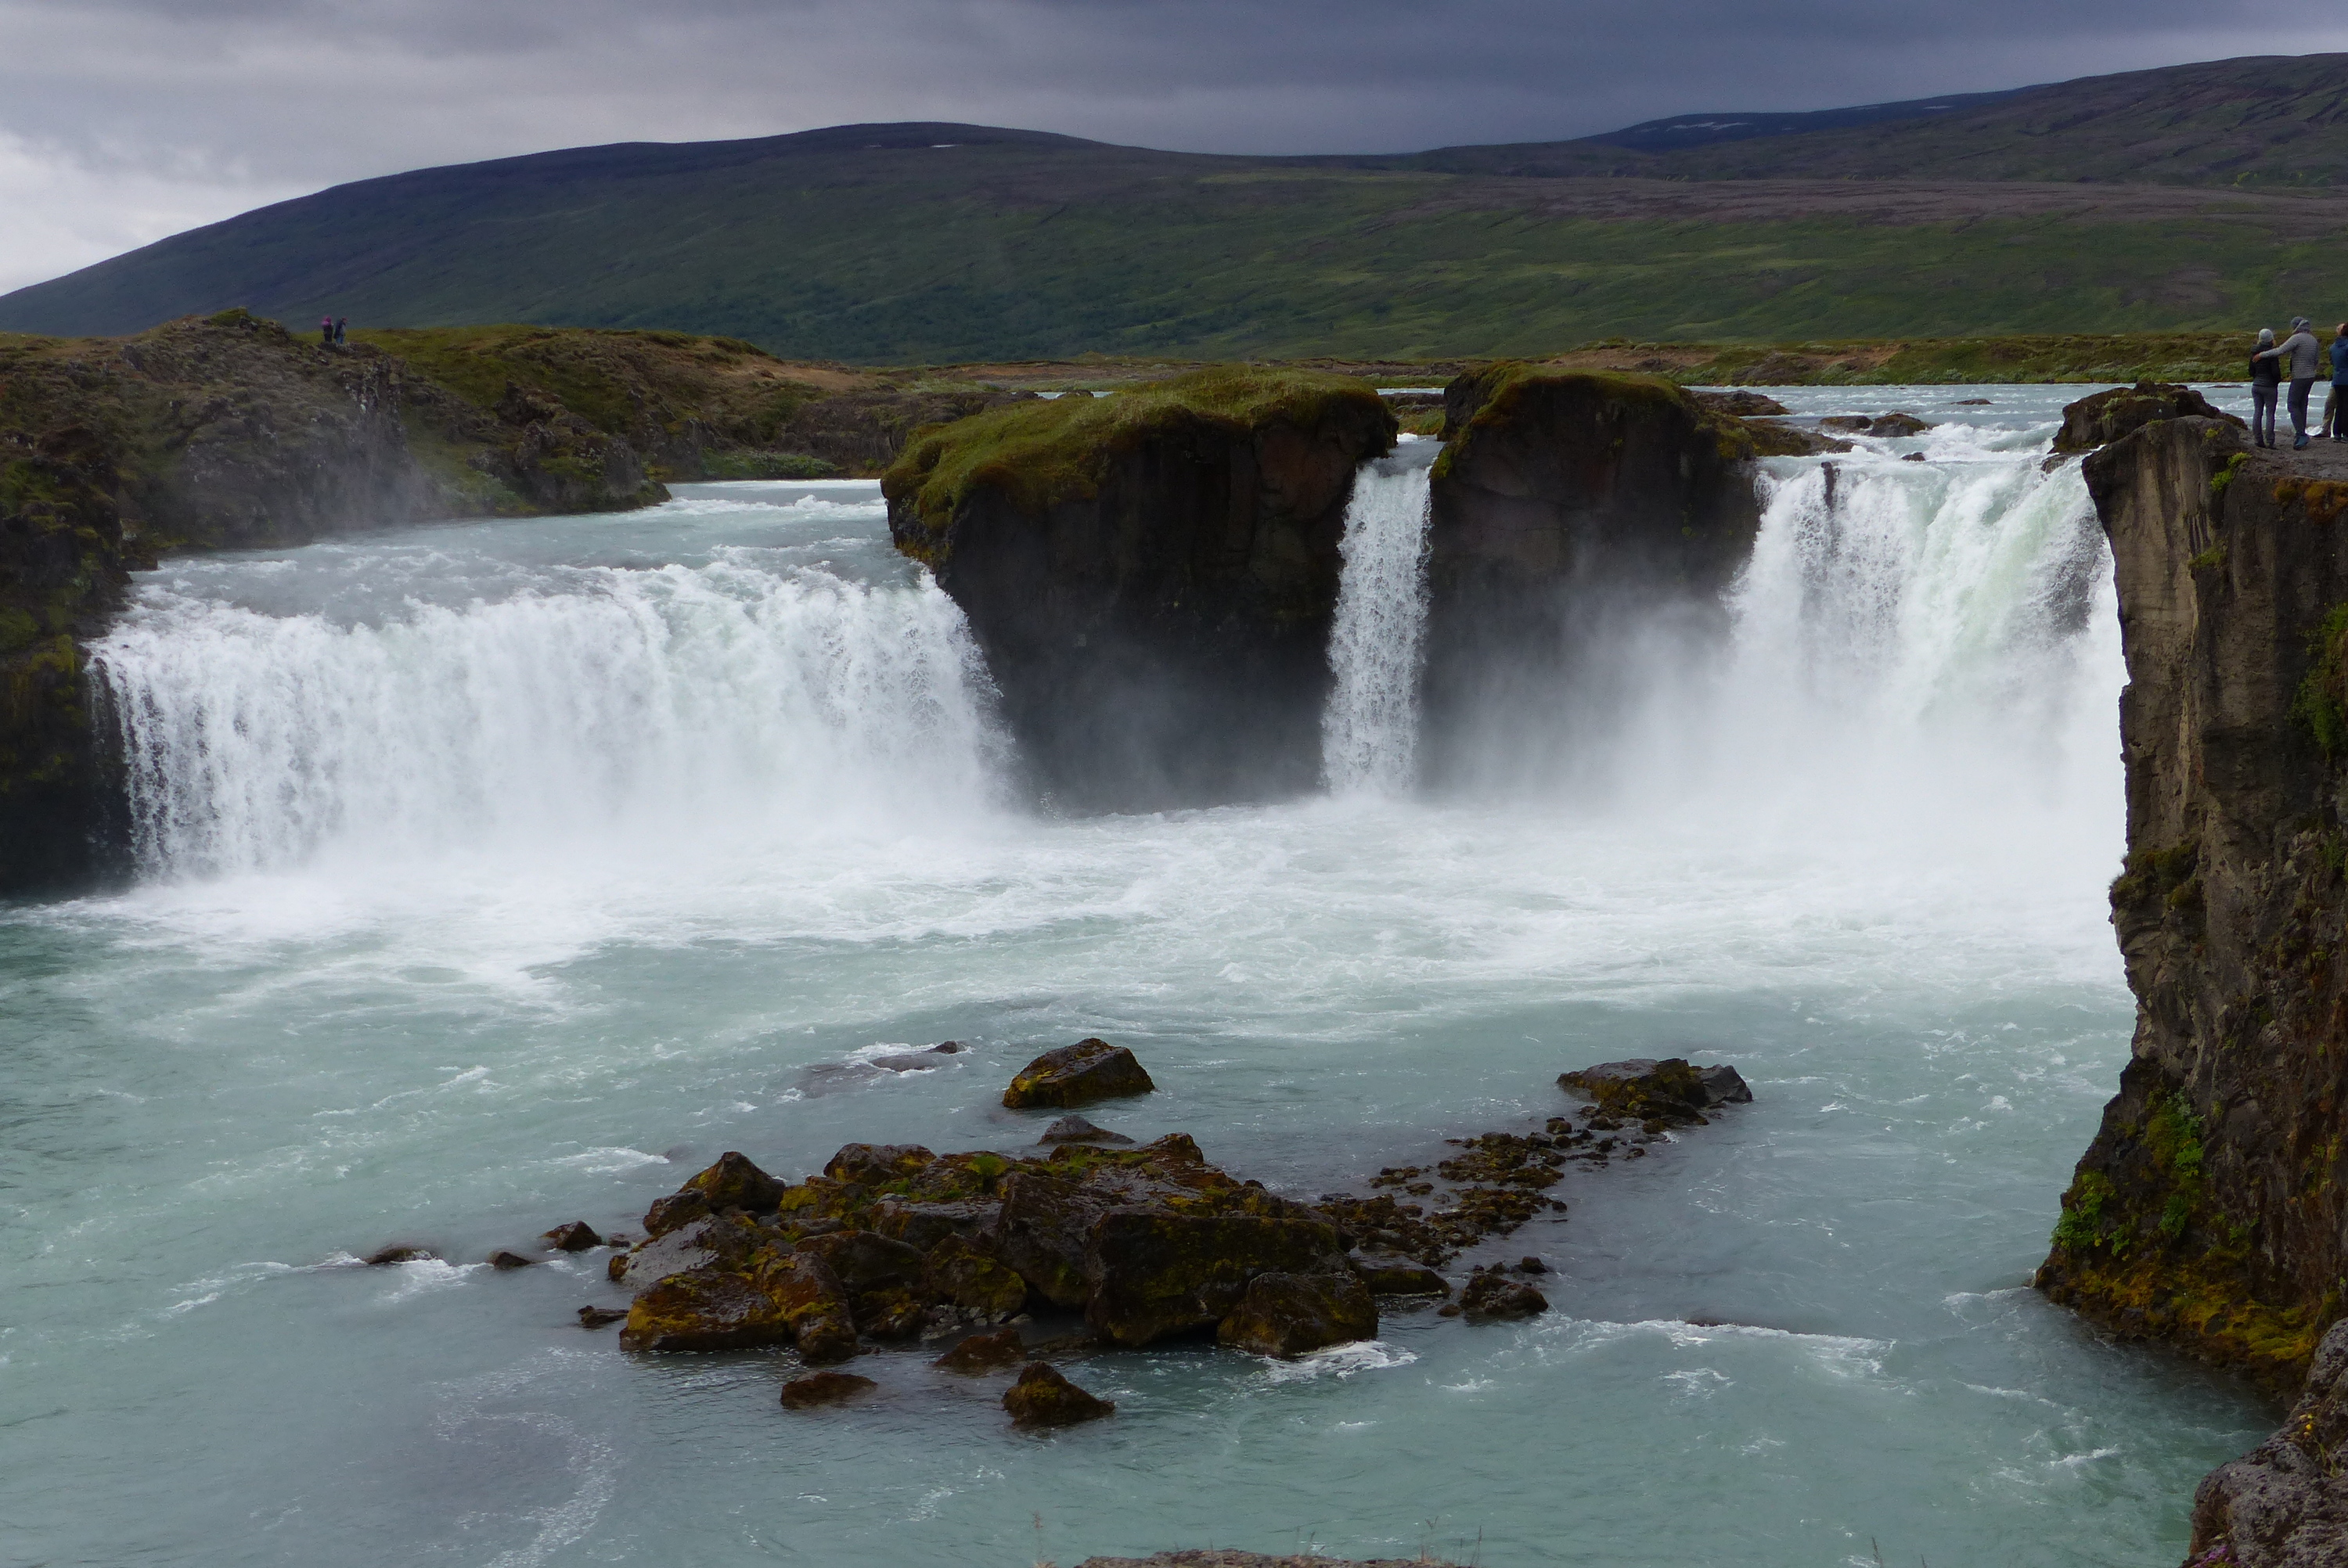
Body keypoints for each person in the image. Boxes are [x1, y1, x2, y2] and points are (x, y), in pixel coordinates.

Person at [2256, 316, 2324, 448]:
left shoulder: (2297, 338)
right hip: (2310, 376)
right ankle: (2301, 434)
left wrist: (2261, 355)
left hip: (2299, 376)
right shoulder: (2313, 339)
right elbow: (2316, 360)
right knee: (2302, 404)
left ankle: (2301, 435)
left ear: (2296, 327)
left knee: (2292, 404)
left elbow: (2280, 350)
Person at [2251, 327, 2281, 448]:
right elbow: (2275, 372)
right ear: (2271, 339)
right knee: (2270, 413)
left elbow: (2251, 370)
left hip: (2256, 385)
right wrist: (2277, 381)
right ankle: (2270, 440)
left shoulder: (2254, 352)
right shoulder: (2272, 354)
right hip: (2269, 386)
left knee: (2257, 412)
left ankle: (2258, 440)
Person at [2329, 323, 2348, 440]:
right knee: (2347, 406)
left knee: (2340, 406)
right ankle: (2346, 433)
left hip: (2337, 379)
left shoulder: (2333, 347)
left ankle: (2337, 432)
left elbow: (2332, 362)